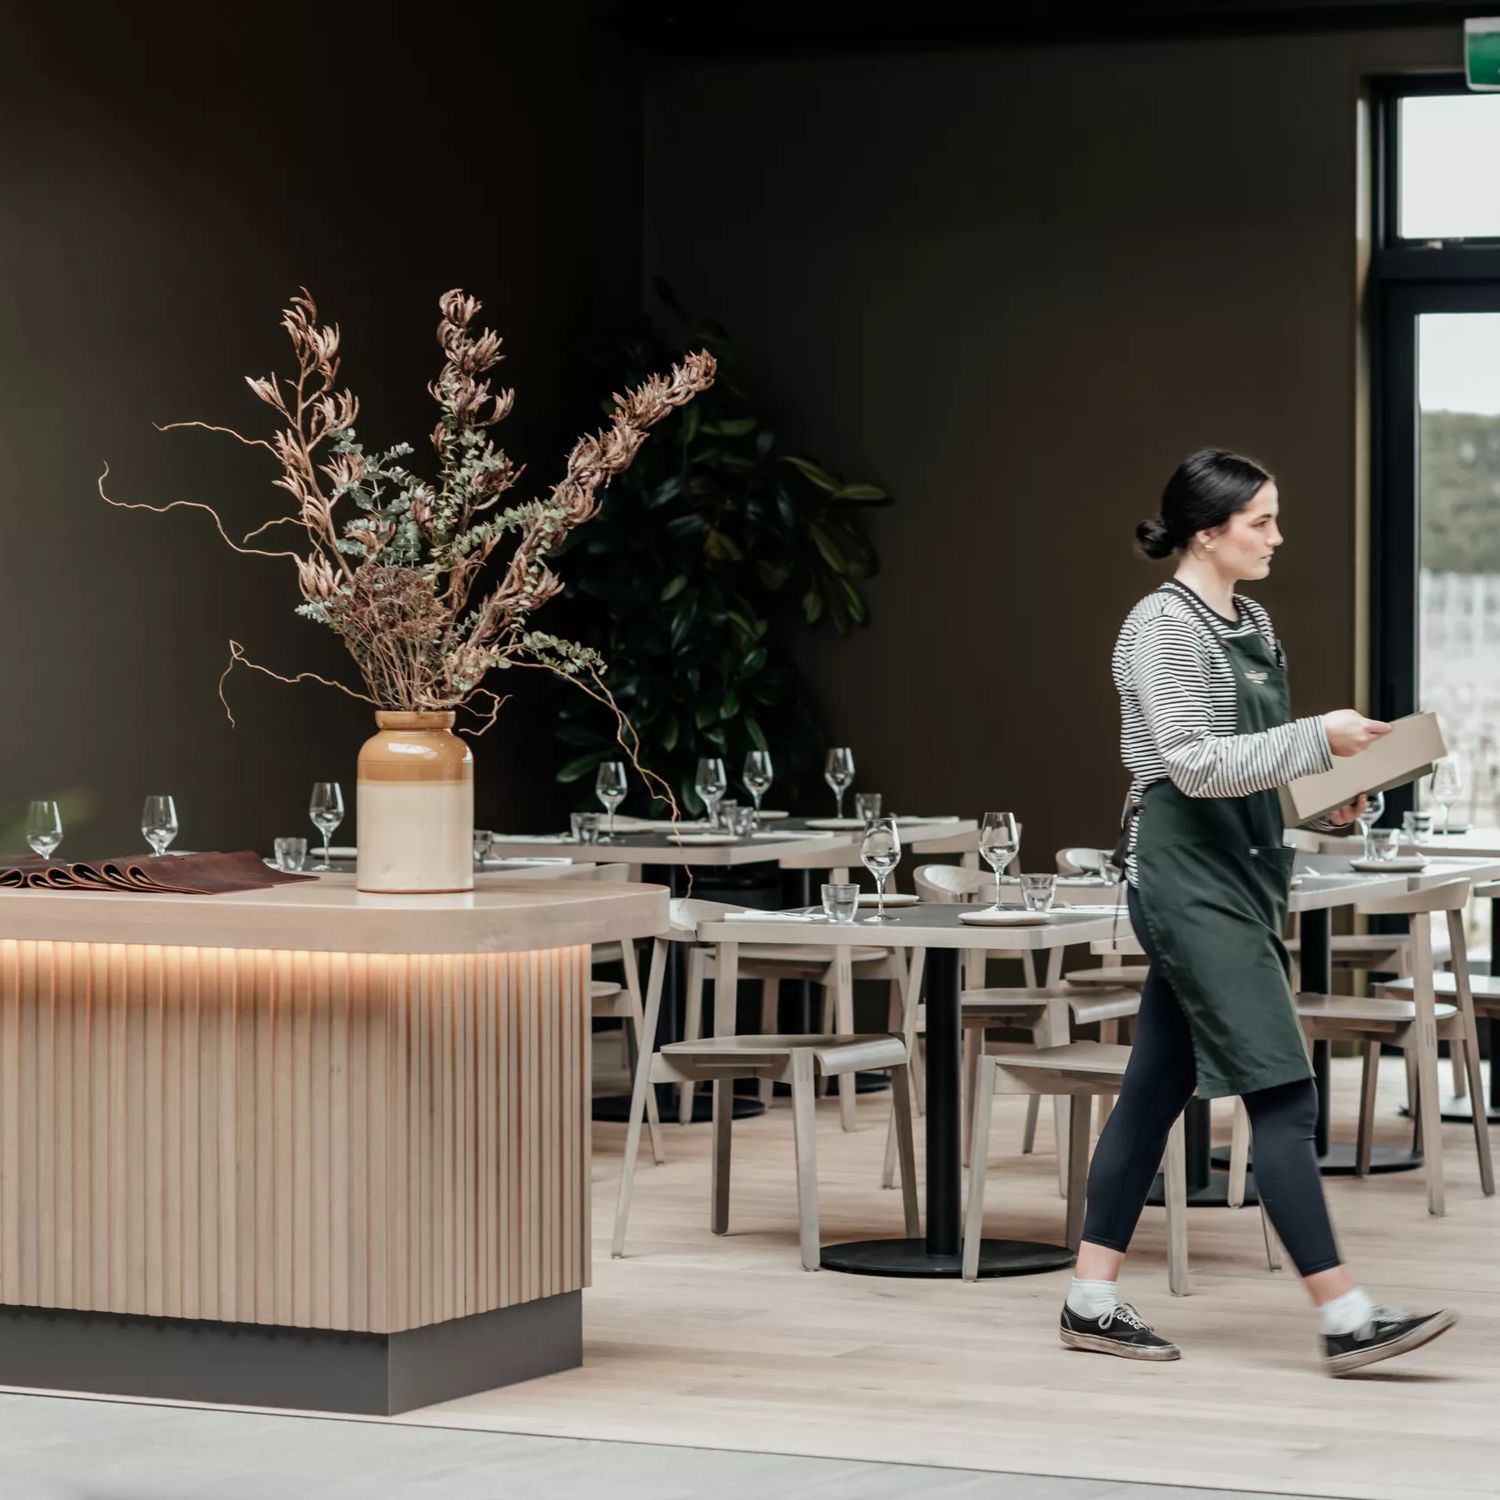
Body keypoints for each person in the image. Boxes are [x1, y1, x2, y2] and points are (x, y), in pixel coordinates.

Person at [1060, 447, 1458, 1376]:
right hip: (1185, 880)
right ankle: (1345, 1316)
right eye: (1261, 522)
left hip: (1243, 872)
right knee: (1283, 1092)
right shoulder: (1161, 628)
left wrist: (1325, 797)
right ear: (1208, 533)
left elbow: (1253, 762)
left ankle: (1089, 1300)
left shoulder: (1255, 622)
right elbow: (1194, 763)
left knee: (1154, 1087)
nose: (1277, 537)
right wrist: (1319, 734)